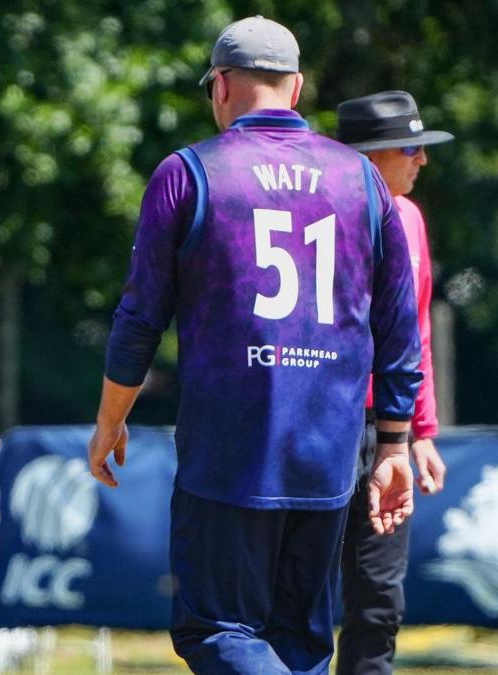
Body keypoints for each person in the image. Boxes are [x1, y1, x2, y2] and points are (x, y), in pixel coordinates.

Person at [85, 17, 423, 674]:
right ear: (296, 87)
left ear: (220, 86)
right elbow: (398, 325)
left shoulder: (189, 172)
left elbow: (139, 318)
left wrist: (109, 420)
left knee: (215, 628)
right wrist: (394, 444)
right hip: (328, 457)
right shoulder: (361, 177)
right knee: (300, 643)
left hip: (229, 453)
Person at [335, 90, 452, 675]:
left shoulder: (410, 217)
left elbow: (417, 329)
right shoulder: (320, 212)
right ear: (369, 155)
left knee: (379, 600)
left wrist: (420, 431)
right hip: (321, 423)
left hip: (389, 429)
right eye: (410, 148)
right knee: (299, 593)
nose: (422, 159)